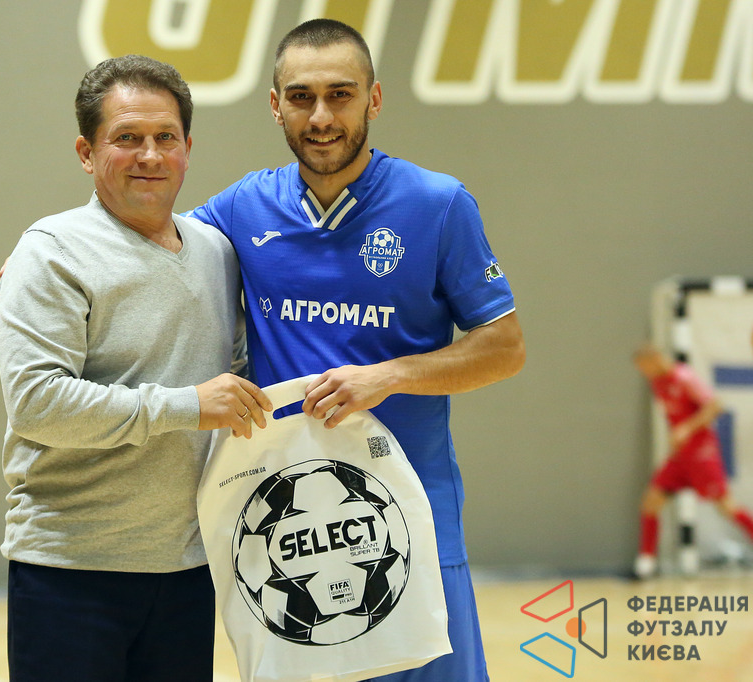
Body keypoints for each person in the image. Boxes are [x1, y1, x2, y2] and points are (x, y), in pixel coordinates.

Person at [186, 19, 526, 681]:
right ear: (276, 104)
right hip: (291, 532)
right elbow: (152, 250)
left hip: (411, 511)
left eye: (339, 94)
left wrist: (389, 376)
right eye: (302, 96)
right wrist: (56, 256)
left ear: (374, 99)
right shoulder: (243, 209)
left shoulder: (438, 204)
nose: (321, 116)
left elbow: (504, 348)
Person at [0, 55, 271, 681]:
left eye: (165, 137)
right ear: (86, 153)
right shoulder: (51, 252)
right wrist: (188, 406)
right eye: (127, 138)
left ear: (188, 149)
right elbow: (37, 403)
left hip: (187, 569)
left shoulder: (216, 253)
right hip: (69, 571)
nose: (149, 155)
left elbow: (238, 374)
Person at [632, 343, 753, 579]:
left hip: (701, 452)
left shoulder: (684, 377)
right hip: (680, 456)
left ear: (655, 359)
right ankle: (646, 562)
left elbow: (715, 406)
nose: (644, 372)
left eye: (645, 367)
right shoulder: (657, 383)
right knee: (651, 501)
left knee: (726, 506)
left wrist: (687, 428)